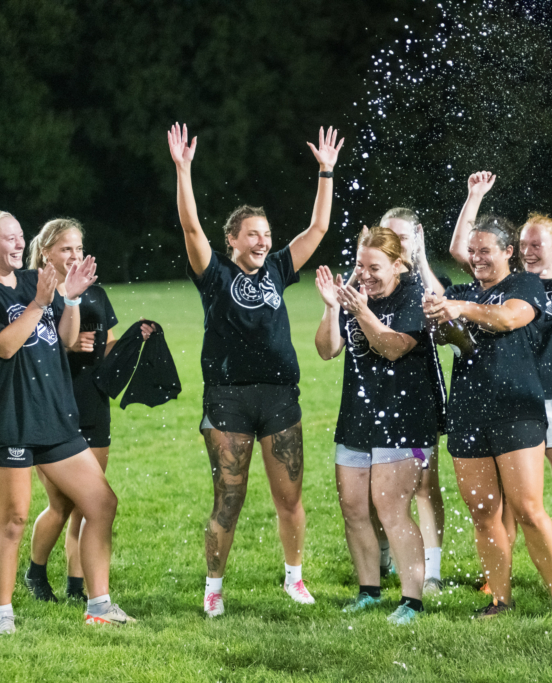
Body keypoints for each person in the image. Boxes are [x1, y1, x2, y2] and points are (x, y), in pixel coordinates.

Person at [167, 122, 343, 617]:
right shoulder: (215, 275)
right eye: (254, 235)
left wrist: (326, 172)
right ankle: (213, 588)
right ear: (233, 240)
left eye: (267, 235)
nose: (264, 242)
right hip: (228, 398)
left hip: (280, 398)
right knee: (229, 497)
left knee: (290, 497)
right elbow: (190, 227)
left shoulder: (278, 270)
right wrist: (184, 170)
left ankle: (294, 578)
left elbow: (318, 230)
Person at [0, 210, 134, 633]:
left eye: (21, 236)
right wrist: (40, 302)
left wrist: (70, 299)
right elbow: (4, 347)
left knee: (101, 503)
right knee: (14, 519)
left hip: (54, 415)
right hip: (10, 418)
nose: (19, 244)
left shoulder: (29, 280)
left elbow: (62, 338)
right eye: (8, 238)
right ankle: (2, 614)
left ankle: (99, 604)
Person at [427, 212, 552, 620]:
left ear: (508, 252)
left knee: (528, 507)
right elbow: (459, 342)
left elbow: (511, 317)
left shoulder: (526, 284)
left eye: (485, 251)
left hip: (517, 408)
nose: (476, 258)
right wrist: (440, 323)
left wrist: (461, 307)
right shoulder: (463, 290)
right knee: (482, 513)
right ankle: (500, 598)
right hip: (467, 410)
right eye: (472, 252)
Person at [22, 218, 154, 604]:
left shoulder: (95, 293)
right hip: (52, 407)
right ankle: (36, 571)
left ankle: (78, 585)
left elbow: (108, 347)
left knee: (89, 503)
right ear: (45, 251)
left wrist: (132, 339)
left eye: (78, 248)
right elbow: (31, 347)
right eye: (66, 249)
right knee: (62, 504)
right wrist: (67, 344)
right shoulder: (35, 293)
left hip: (94, 404)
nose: (74, 255)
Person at [315, 226, 436, 625]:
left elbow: (393, 346)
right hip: (358, 418)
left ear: (398, 264)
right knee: (353, 508)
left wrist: (362, 309)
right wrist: (334, 307)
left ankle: (412, 600)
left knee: (391, 507)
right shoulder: (352, 295)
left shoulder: (414, 293)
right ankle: (369, 591)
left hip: (405, 419)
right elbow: (327, 349)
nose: (364, 274)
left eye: (374, 267)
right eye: (359, 265)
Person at [378, 208, 449, 594]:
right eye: (388, 237)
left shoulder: (426, 284)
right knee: (377, 488)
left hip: (418, 402)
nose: (395, 246)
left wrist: (420, 259)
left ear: (417, 238)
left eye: (403, 239)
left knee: (423, 484)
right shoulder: (374, 280)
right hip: (373, 402)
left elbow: (442, 305)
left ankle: (432, 570)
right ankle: (384, 559)